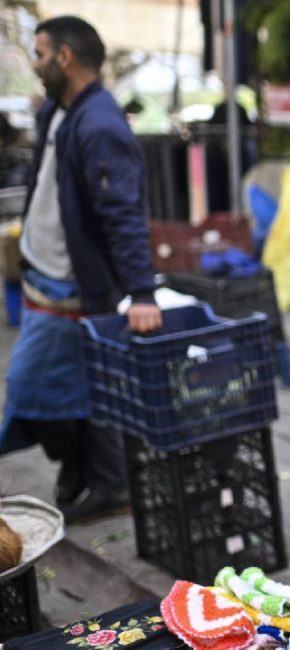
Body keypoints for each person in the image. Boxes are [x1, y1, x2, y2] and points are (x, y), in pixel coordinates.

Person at [0, 16, 163, 523]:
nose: (36, 63)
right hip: (42, 282)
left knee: (30, 389)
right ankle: (86, 473)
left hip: (72, 292)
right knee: (79, 390)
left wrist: (141, 294)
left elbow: (125, 217)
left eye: (41, 53)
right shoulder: (60, 110)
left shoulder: (100, 125)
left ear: (65, 58)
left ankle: (98, 476)